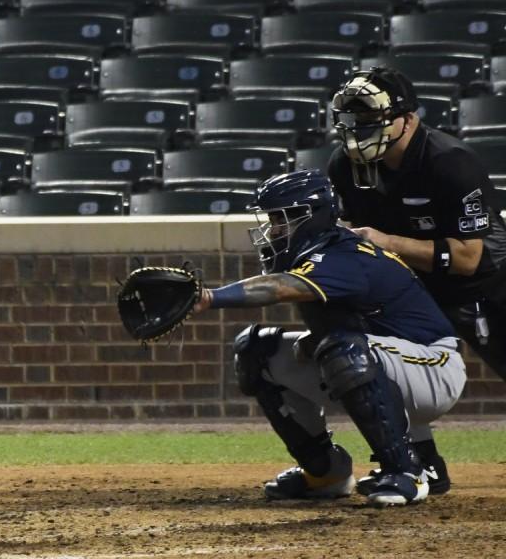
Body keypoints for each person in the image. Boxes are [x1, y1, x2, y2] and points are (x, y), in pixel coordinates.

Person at [191, 169, 465, 507]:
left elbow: (280, 288)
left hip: (434, 366)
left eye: (282, 219)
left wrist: (210, 298)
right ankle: (325, 473)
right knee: (256, 350)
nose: (273, 230)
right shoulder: (316, 255)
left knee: (343, 351)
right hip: (386, 362)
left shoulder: (343, 254)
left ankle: (408, 472)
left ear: (312, 216)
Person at [325, 66, 506, 494]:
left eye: (370, 121)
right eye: (352, 123)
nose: (358, 133)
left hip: (485, 286)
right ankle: (419, 462)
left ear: (408, 118)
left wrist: (387, 242)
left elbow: (466, 259)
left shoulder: (450, 163)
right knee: (371, 363)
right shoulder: (344, 168)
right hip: (412, 291)